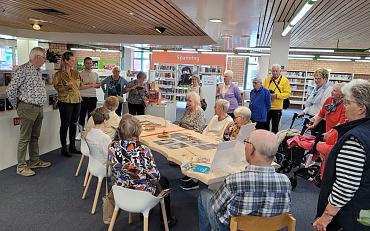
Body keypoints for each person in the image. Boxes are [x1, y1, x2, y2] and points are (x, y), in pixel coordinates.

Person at [198, 129, 291, 231]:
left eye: (246, 142)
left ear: (251, 149)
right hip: (272, 228)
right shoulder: (285, 181)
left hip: (233, 228)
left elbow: (215, 208)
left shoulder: (234, 181)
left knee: (204, 194)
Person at [314, 79, 370, 231]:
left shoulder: (355, 139)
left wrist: (327, 216)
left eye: (348, 102)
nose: (344, 106)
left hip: (352, 213)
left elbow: (346, 185)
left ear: (361, 108)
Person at [108, 114, 176, 227]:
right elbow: (155, 177)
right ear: (136, 133)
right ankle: (167, 221)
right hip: (142, 195)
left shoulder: (112, 147)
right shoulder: (144, 150)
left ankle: (143, 214)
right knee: (164, 181)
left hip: (120, 192)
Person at [6, 47, 51, 176]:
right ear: (37, 57)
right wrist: (18, 107)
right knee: (24, 138)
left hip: (38, 108)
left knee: (35, 136)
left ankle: (34, 161)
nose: (44, 60)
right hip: (27, 108)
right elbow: (11, 90)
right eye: (43, 58)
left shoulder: (37, 71)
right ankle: (21, 167)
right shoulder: (23, 69)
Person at [306, 83, 346, 181]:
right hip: (328, 131)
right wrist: (314, 125)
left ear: (342, 94)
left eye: (335, 91)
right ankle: (320, 175)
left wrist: (330, 133)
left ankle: (325, 177)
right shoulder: (329, 100)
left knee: (330, 154)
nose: (332, 92)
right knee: (323, 153)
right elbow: (321, 114)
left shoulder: (344, 104)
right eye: (333, 90)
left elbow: (341, 123)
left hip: (337, 134)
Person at [53, 51, 89, 157]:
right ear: (65, 61)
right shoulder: (58, 74)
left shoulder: (76, 73)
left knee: (74, 124)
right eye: (72, 60)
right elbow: (57, 88)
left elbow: (80, 86)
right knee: (65, 124)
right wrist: (65, 88)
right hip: (65, 101)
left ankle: (72, 146)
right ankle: (64, 148)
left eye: (74, 60)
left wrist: (92, 85)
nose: (74, 62)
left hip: (77, 100)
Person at [299, 68, 333, 135]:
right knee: (312, 138)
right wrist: (304, 111)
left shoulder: (329, 90)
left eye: (319, 78)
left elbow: (324, 108)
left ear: (325, 79)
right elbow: (311, 103)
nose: (316, 81)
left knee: (317, 140)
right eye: (315, 78)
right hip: (313, 117)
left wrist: (314, 118)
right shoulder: (317, 88)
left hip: (321, 120)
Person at [263, 64, 291, 133]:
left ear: (280, 71)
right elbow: (263, 90)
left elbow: (287, 94)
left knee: (275, 127)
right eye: (273, 71)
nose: (274, 73)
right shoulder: (267, 79)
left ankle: (274, 142)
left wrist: (276, 95)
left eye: (276, 71)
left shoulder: (285, 81)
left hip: (277, 108)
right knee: (265, 125)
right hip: (267, 107)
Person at [78, 57, 101, 127]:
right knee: (82, 116)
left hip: (93, 97)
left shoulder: (95, 74)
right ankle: (80, 132)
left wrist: (90, 85)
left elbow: (98, 85)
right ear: (84, 64)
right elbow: (79, 87)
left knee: (91, 117)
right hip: (82, 97)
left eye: (90, 63)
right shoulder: (79, 74)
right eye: (87, 63)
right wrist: (91, 85)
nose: (89, 65)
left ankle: (89, 131)